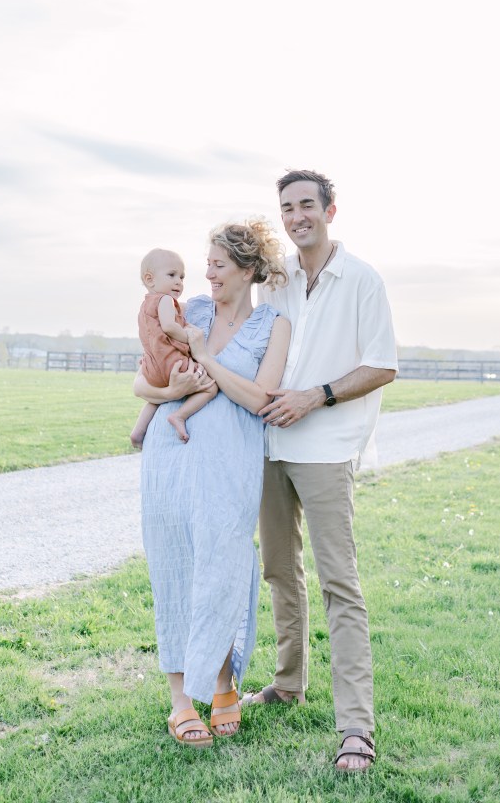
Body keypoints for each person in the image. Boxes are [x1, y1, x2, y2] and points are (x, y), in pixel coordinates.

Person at [245, 169, 399, 774]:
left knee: (340, 584)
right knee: (280, 570)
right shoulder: (276, 280)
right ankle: (287, 683)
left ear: (331, 211)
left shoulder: (361, 279)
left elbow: (382, 365)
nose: (296, 216)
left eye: (306, 204)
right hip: (271, 445)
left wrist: (316, 396)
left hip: (329, 447)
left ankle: (356, 728)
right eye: (286, 207)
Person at [133, 219, 291, 747]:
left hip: (230, 467)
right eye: (207, 264)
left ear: (248, 270)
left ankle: (223, 681)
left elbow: (259, 398)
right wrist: (168, 389)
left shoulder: (274, 325)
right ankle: (182, 700)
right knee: (176, 568)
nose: (207, 274)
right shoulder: (186, 310)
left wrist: (203, 357)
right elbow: (141, 380)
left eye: (218, 264)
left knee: (223, 568)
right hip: (170, 462)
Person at [130, 248, 217, 447]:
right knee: (210, 386)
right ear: (150, 279)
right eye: (172, 275)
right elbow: (169, 327)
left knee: (154, 398)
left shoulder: (145, 306)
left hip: (152, 370)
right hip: (172, 365)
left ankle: (138, 432)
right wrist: (190, 338)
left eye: (182, 277)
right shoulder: (166, 300)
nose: (179, 281)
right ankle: (179, 415)